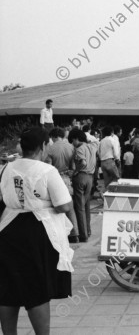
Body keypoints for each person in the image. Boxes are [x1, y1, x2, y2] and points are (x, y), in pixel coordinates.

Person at [0, 128, 74, 335]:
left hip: (8, 229)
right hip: (38, 232)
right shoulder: (46, 171)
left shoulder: (6, 168)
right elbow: (64, 206)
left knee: (7, 288)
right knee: (37, 288)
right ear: (42, 146)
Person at [44, 127, 79, 243]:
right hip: (68, 178)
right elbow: (74, 166)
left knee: (57, 207)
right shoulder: (71, 147)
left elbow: (48, 167)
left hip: (56, 178)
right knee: (70, 207)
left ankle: (62, 234)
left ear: (53, 137)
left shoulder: (50, 148)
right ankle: (75, 234)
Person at [69, 128, 99, 242]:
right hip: (90, 178)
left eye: (73, 141)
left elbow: (83, 162)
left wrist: (75, 171)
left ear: (76, 139)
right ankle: (88, 231)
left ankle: (83, 235)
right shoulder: (92, 147)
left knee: (79, 207)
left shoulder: (80, 149)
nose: (73, 144)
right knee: (86, 205)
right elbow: (96, 142)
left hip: (81, 177)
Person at [99, 126, 121, 191]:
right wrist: (117, 159)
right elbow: (116, 152)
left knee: (107, 181)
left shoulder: (101, 141)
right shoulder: (112, 140)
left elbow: (99, 152)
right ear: (112, 132)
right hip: (110, 161)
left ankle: (107, 194)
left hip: (102, 162)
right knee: (116, 178)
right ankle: (114, 193)